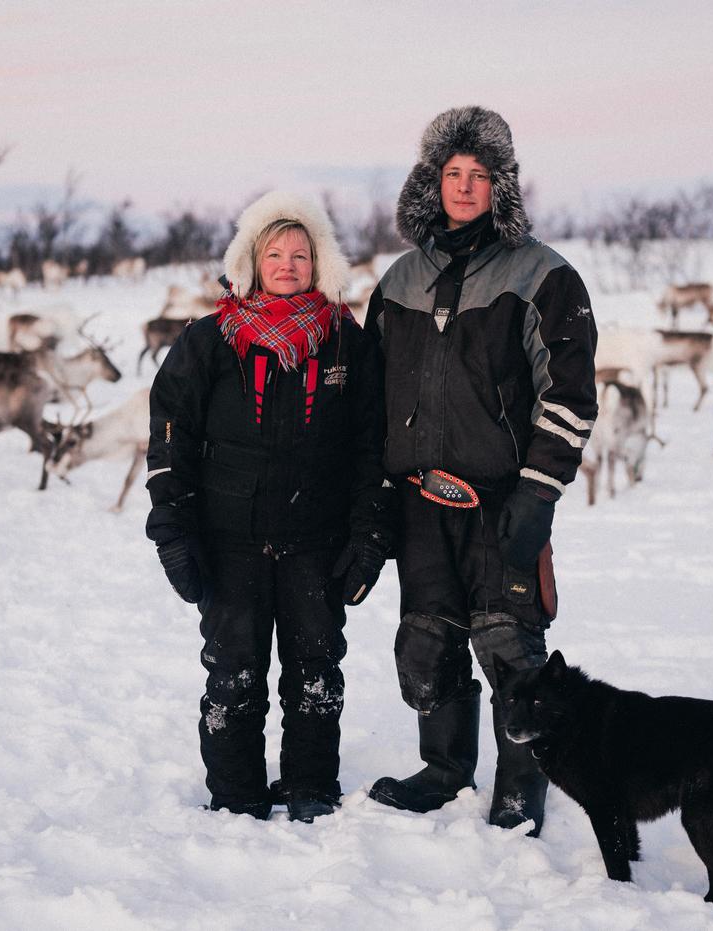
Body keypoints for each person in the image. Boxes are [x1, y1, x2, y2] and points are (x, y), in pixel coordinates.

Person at [364, 106, 599, 836]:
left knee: (509, 647)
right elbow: (373, 401)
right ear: (430, 182)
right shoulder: (399, 281)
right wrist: (372, 498)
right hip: (418, 499)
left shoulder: (544, 275)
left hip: (504, 497)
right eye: (451, 173)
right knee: (427, 641)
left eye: (478, 175)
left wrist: (539, 490)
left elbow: (570, 392)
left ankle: (523, 789)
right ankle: (444, 770)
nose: (463, 187)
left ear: (500, 185)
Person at [145, 191, 391, 823]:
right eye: (274, 253)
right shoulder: (209, 340)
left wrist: (369, 537)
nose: (287, 264)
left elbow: (372, 448)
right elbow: (172, 434)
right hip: (230, 541)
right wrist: (172, 527)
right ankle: (237, 796)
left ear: (321, 265)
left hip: (316, 542)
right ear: (250, 261)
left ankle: (311, 786)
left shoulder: (346, 344)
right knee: (233, 676)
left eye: (301, 255)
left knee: (316, 674)